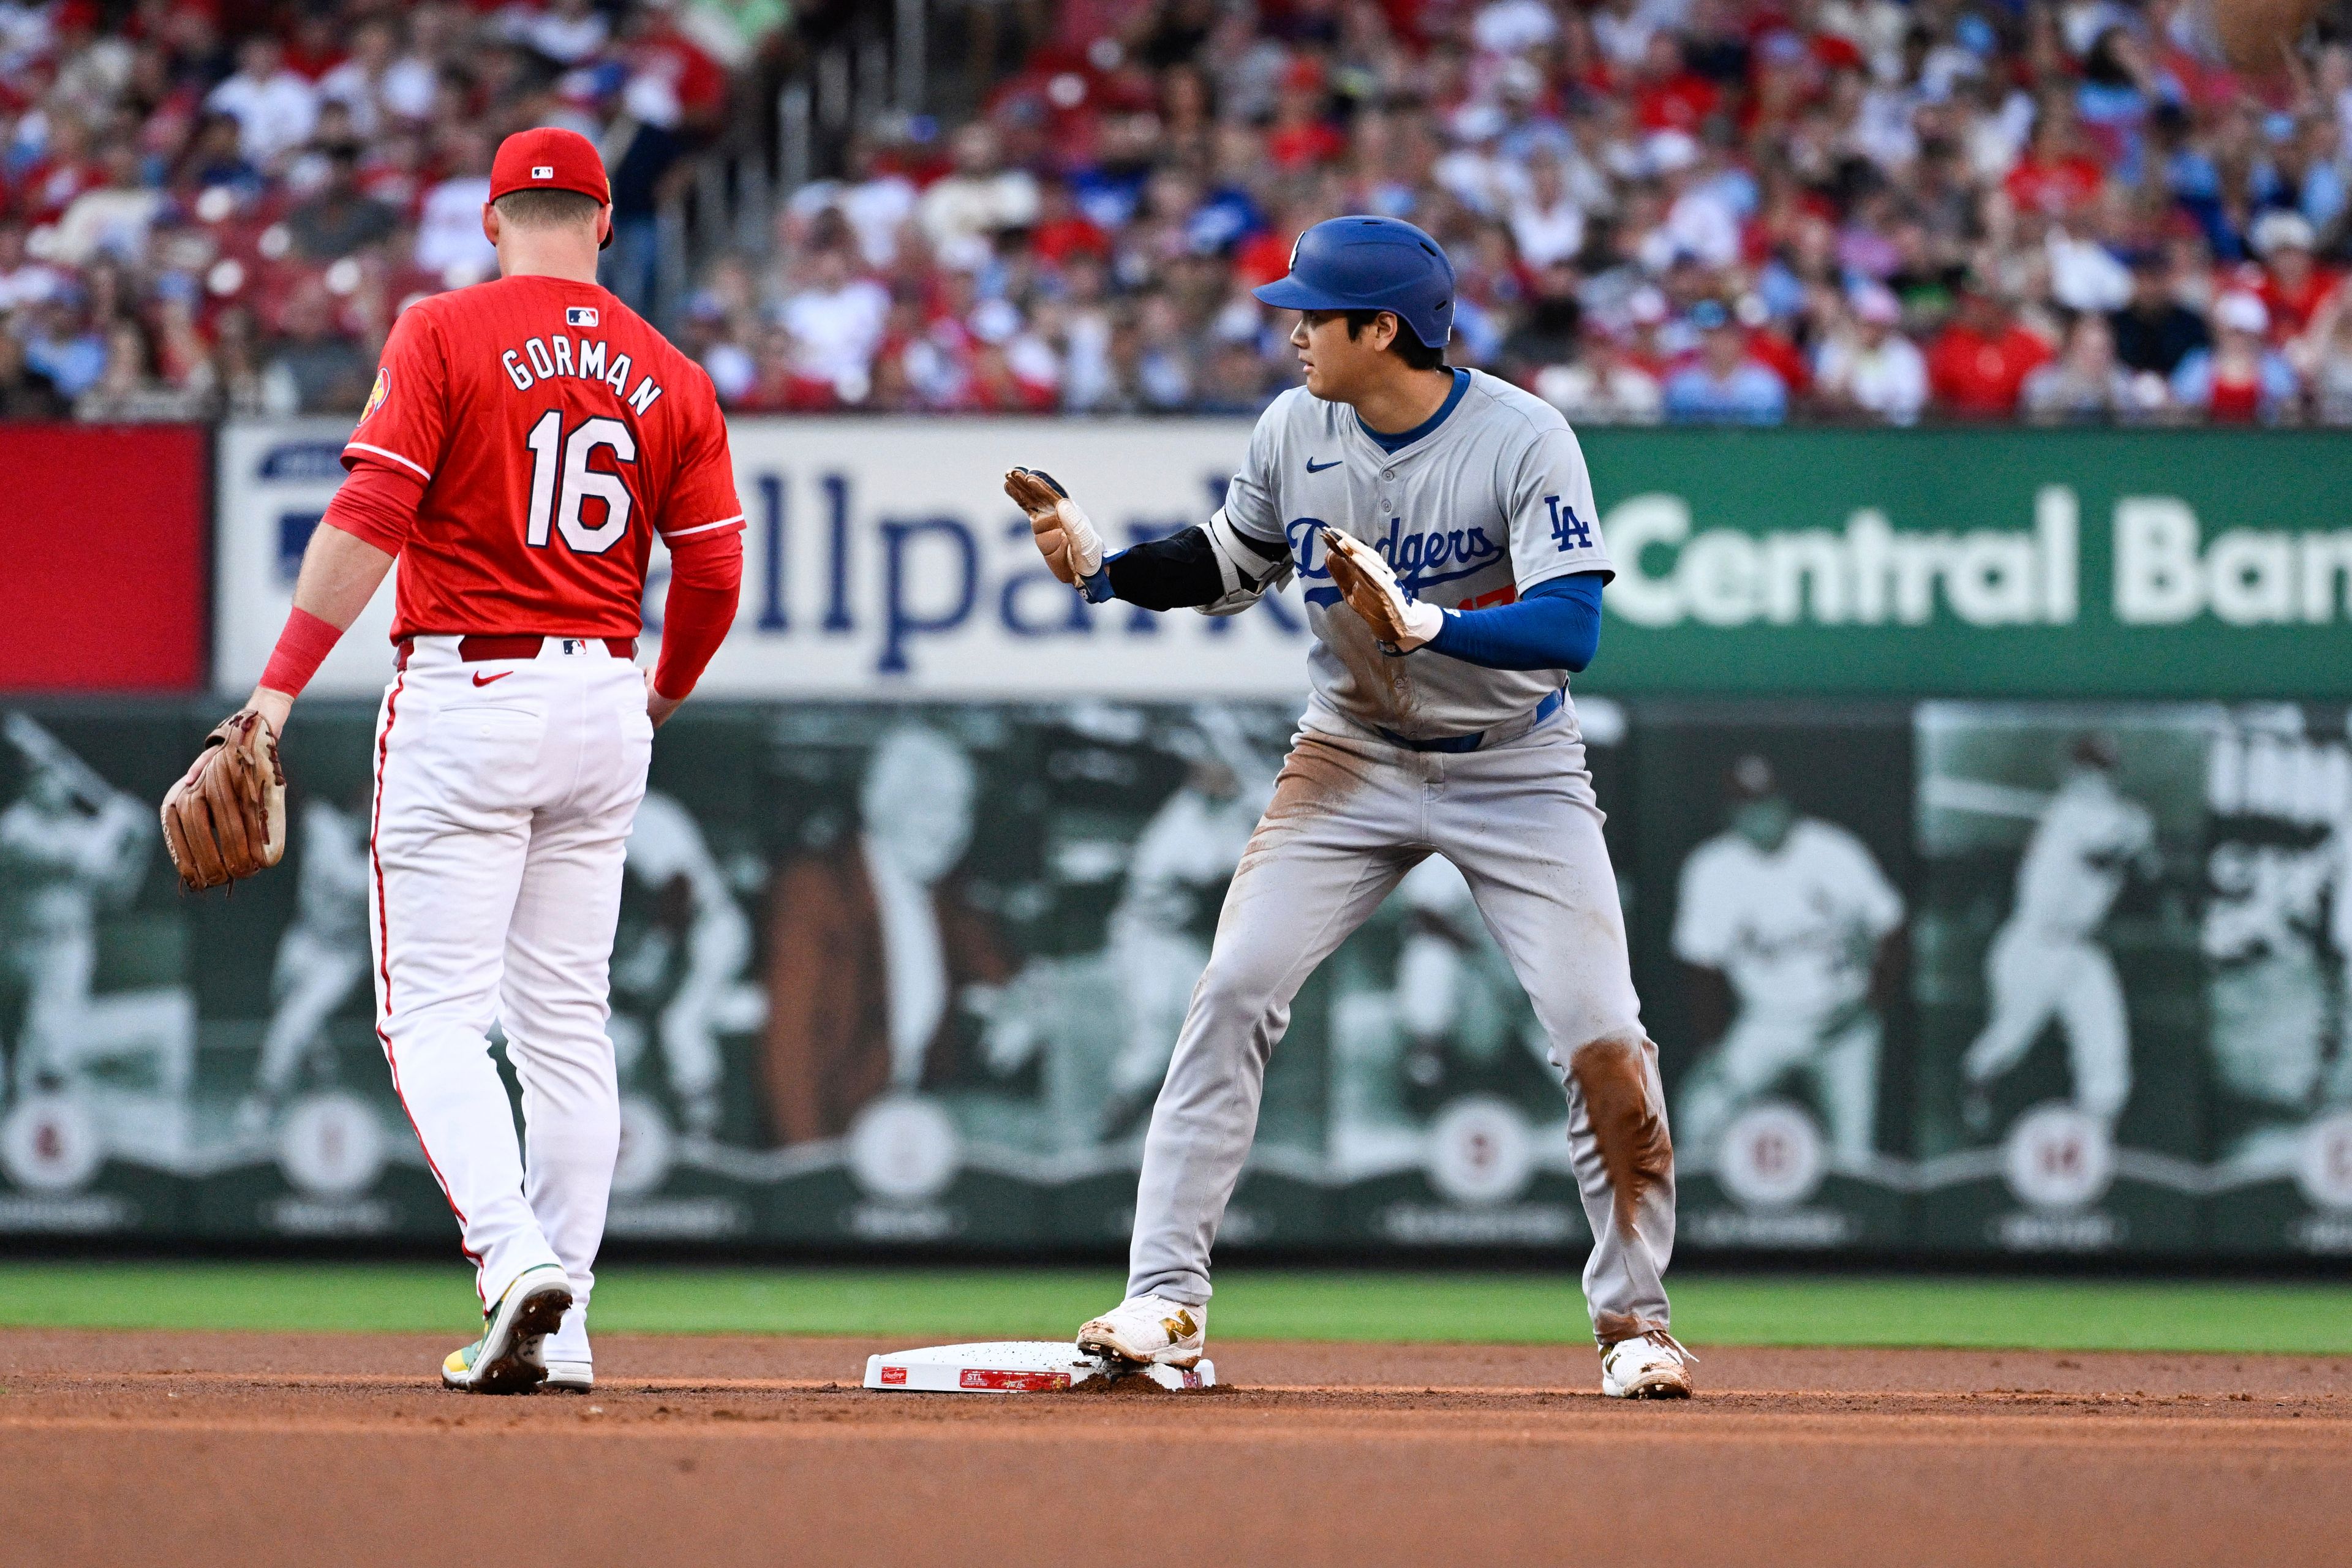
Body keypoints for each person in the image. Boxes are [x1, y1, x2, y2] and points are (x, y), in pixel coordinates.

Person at [1006, 216, 1689, 1399]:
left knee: (1604, 1038)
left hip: (1514, 764)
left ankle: (1636, 1323)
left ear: (1385, 330)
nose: (1293, 332)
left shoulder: (1523, 435)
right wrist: (1108, 570)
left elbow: (1574, 623)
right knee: (1231, 989)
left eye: (1315, 315)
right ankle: (1165, 1301)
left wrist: (1437, 627)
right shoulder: (1295, 427)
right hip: (1350, 755)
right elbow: (1235, 563)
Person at [204, 127, 744, 1395]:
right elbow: (714, 573)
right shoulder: (672, 371)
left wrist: (273, 694)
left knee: (435, 1014)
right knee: (567, 1024)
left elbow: (372, 517)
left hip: (471, 684)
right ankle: (575, 1318)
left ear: (495, 217)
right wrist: (657, 695)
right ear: (605, 225)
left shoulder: (445, 329)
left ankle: (514, 1262)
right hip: (606, 690)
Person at [1671, 756, 1905, 1167]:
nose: (1761, 817)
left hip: (1845, 1026)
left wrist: (1872, 1002)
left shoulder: (1835, 851)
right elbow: (1701, 968)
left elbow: (1893, 928)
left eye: (1768, 803)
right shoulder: (1711, 869)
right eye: (1748, 807)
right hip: (1768, 1022)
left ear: (1787, 804)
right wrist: (1711, 1049)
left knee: (1856, 1154)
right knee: (1701, 1113)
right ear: (1731, 815)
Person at [1961, 736, 2157, 1135]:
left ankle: (2099, 1128)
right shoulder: (2070, 813)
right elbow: (2104, 853)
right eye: (2086, 769)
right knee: (2008, 1041)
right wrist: (2137, 829)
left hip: (2079, 948)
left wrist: (2138, 832)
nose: (2094, 777)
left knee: (2106, 1043)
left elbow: (2149, 871)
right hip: (2034, 945)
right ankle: (1977, 1086)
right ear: (2070, 773)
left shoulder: (2106, 813)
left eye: (2102, 769)